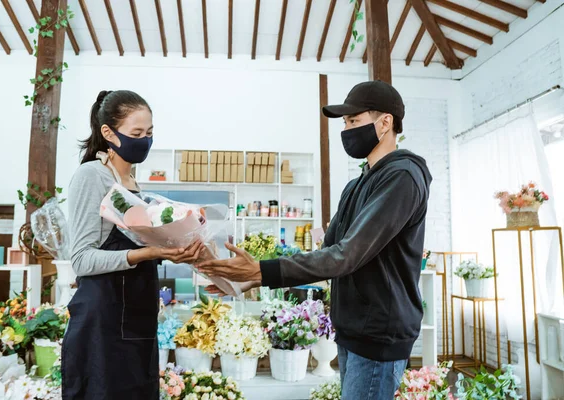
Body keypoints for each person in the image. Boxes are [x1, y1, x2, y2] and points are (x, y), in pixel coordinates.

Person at [197, 80, 432, 400]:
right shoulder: (356, 185)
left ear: (386, 122)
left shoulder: (402, 176)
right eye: (345, 123)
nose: (346, 130)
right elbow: (327, 254)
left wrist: (262, 271)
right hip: (352, 331)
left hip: (379, 335)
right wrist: (253, 277)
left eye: (354, 121)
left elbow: (347, 255)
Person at [62, 90, 203, 400]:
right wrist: (148, 252)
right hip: (103, 322)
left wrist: (181, 243)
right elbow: (82, 260)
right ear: (108, 133)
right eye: (136, 133)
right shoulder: (92, 176)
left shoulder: (134, 186)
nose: (145, 141)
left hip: (136, 317)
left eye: (149, 133)